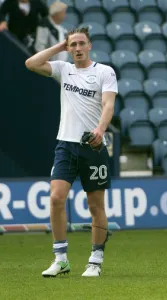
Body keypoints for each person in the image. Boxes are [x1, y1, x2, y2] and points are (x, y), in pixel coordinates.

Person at [25, 27, 118, 277]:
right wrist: (59, 47)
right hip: (65, 144)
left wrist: (100, 130)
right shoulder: (64, 69)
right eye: (73, 44)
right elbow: (31, 63)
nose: (77, 49)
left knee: (95, 205)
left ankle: (95, 260)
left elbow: (108, 104)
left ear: (90, 46)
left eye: (81, 44)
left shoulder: (104, 72)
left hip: (93, 145)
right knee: (56, 198)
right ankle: (61, 259)